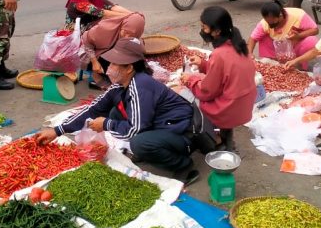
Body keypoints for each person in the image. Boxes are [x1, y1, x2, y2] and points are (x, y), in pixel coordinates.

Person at [35, 37, 200, 185]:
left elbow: (135, 129)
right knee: (114, 113)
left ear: (129, 68)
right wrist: (57, 131)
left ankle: (185, 166)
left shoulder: (140, 85)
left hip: (183, 132)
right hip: (160, 124)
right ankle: (152, 149)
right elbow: (93, 109)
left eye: (114, 64)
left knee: (138, 143)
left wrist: (106, 124)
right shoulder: (121, 84)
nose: (109, 68)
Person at [182, 6, 256, 151]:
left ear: (217, 31)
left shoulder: (219, 54)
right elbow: (226, 72)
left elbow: (207, 91)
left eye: (204, 27)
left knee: (190, 98)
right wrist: (203, 64)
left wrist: (190, 79)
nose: (202, 31)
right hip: (245, 105)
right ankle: (226, 139)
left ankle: (211, 141)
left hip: (230, 107)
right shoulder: (238, 44)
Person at [82, 11, 145, 89]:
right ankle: (95, 78)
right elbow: (86, 41)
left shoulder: (134, 36)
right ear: (122, 25)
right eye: (125, 31)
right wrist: (94, 62)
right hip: (90, 53)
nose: (126, 36)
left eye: (131, 34)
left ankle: (112, 76)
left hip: (109, 52)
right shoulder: (105, 29)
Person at [247, 2, 319, 67]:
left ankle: (299, 62)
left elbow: (315, 30)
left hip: (295, 45)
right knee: (262, 36)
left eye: (273, 23)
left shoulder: (298, 15)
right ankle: (273, 61)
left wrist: (299, 36)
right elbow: (253, 38)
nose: (269, 24)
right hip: (277, 47)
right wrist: (249, 53)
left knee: (311, 41)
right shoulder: (265, 23)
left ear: (280, 16)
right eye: (267, 21)